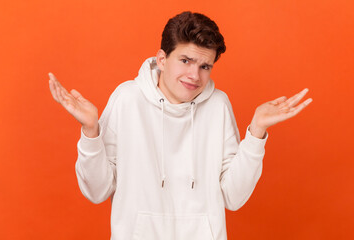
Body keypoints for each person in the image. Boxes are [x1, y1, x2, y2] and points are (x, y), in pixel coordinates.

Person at [48, 11, 312, 240]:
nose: (194, 76)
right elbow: (97, 191)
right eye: (185, 61)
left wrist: (256, 132)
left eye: (205, 66)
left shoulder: (218, 105)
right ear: (162, 59)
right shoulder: (127, 99)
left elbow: (233, 196)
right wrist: (91, 132)